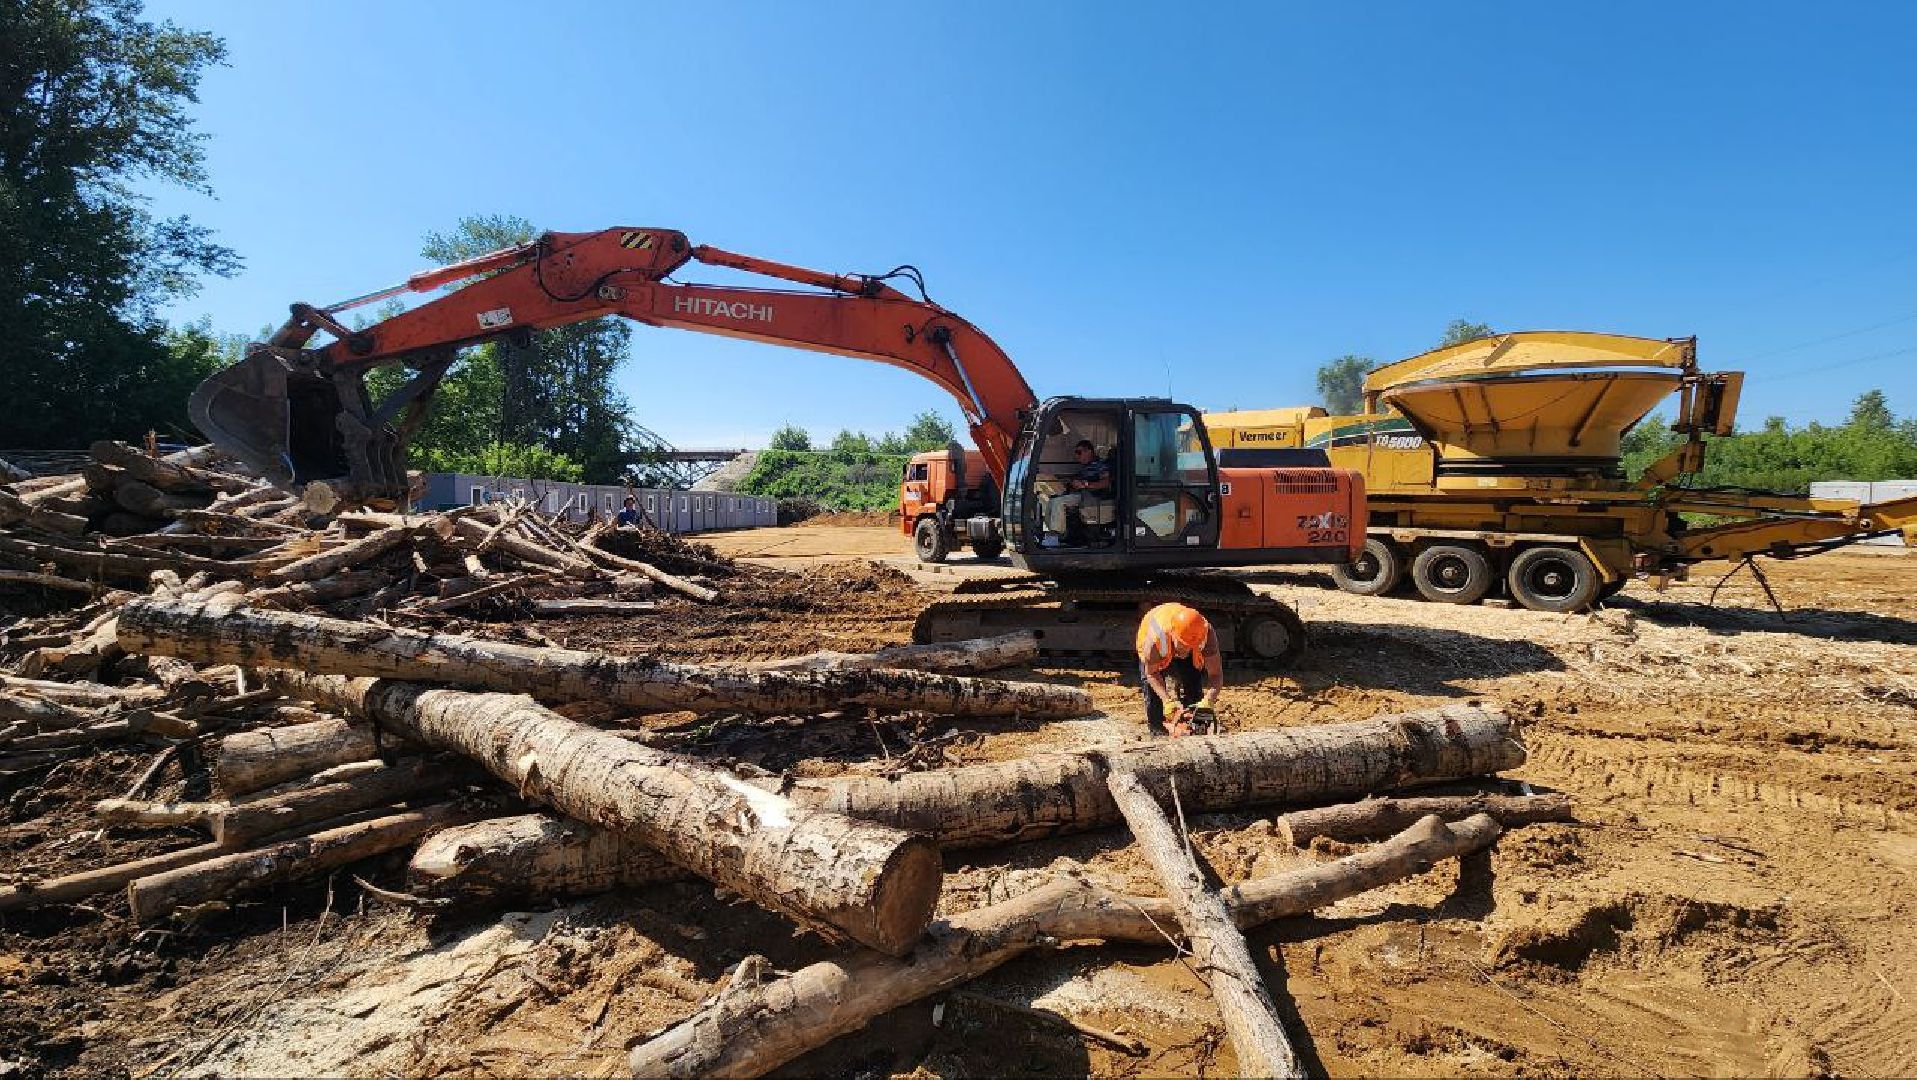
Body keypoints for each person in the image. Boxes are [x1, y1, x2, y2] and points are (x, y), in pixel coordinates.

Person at [1135, 602, 1223, 737]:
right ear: (1173, 634)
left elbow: (1216, 674)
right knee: (1153, 695)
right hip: (1156, 640)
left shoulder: (1206, 635)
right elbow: (1151, 673)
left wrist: (1209, 700)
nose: (1185, 651)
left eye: (1190, 647)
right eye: (1183, 646)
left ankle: (1198, 731)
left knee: (1194, 685)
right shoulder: (1155, 638)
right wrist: (1166, 700)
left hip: (1180, 639)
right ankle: (1158, 731)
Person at [1039, 439, 1112, 548]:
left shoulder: (1100, 465)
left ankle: (1056, 535)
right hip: (1081, 495)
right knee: (1052, 500)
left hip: (1092, 497)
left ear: (1089, 451)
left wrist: (1085, 485)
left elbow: (1106, 483)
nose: (1077, 456)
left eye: (1079, 452)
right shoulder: (1085, 468)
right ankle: (1052, 534)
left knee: (1059, 502)